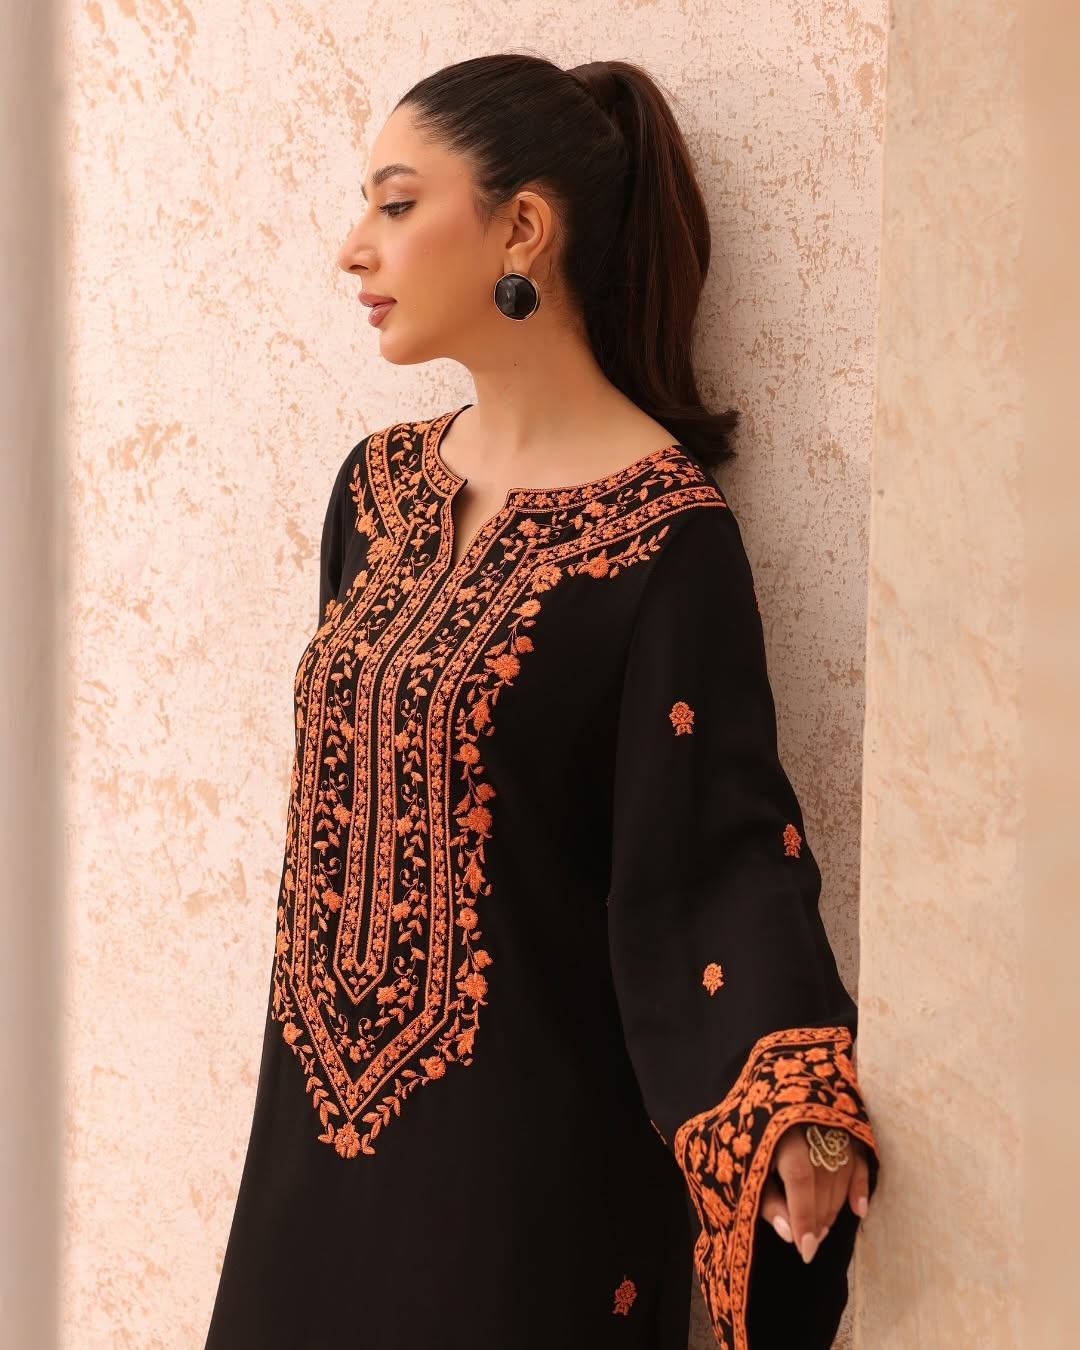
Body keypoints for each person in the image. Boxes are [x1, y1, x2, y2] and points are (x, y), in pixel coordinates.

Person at [204, 51, 881, 1350]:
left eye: (399, 204)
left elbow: (715, 855)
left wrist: (789, 1100)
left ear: (523, 226)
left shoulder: (664, 537)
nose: (357, 247)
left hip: (528, 1203)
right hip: (310, 1167)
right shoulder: (374, 492)